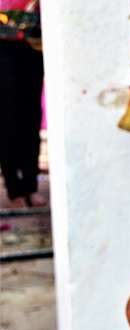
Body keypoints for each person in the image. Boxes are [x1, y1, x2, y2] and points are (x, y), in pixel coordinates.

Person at [0, 0, 45, 207]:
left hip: (32, 45)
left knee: (31, 115)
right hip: (3, 48)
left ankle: (30, 185)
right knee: (7, 117)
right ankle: (13, 187)